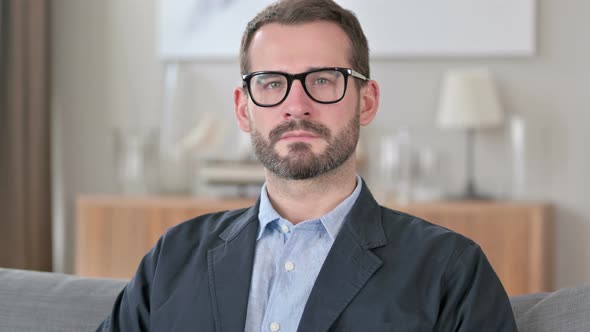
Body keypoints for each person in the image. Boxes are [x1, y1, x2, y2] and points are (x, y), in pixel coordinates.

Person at [98, 0, 517, 331]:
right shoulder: (172, 257)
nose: (295, 106)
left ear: (366, 101)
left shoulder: (450, 268)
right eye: (272, 83)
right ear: (243, 109)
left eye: (322, 80)